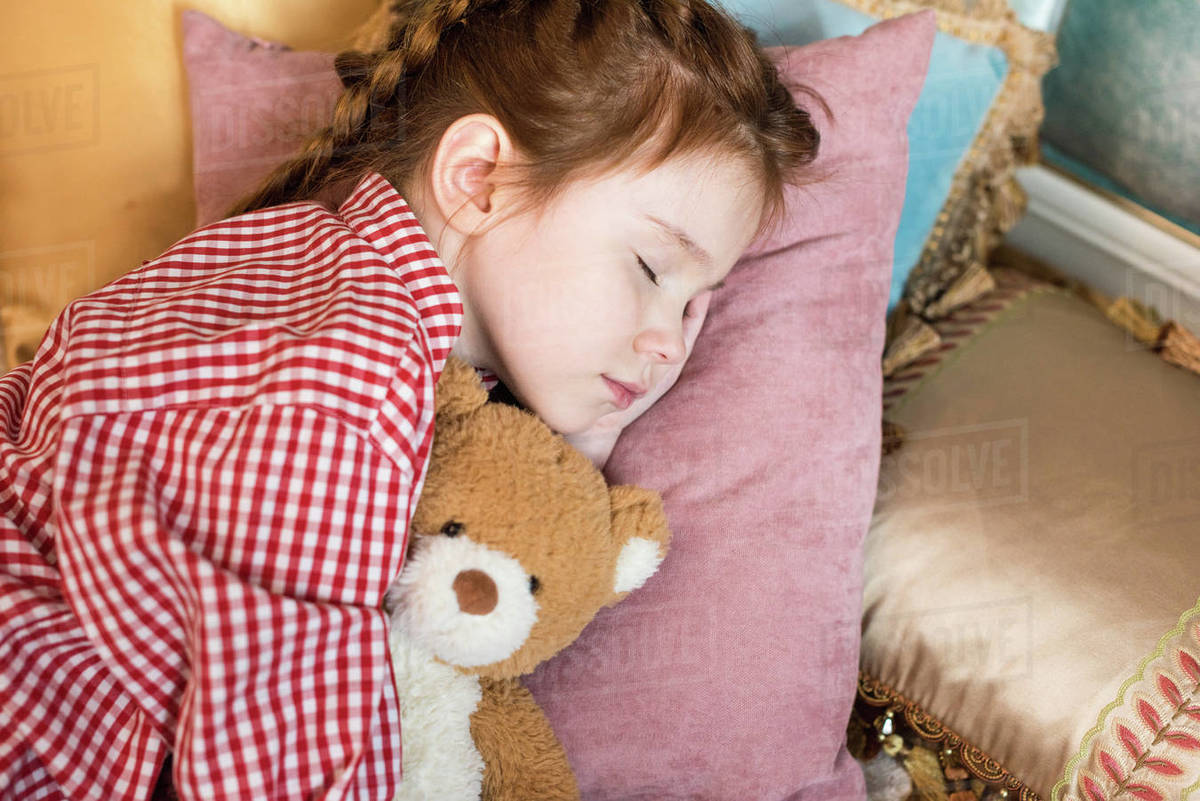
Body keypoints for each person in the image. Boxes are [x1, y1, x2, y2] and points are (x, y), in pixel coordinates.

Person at [0, 0, 822, 798]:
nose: (673, 342)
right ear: (478, 179)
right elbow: (280, 753)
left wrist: (584, 444)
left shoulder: (302, 255)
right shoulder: (347, 374)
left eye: (692, 304)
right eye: (649, 269)